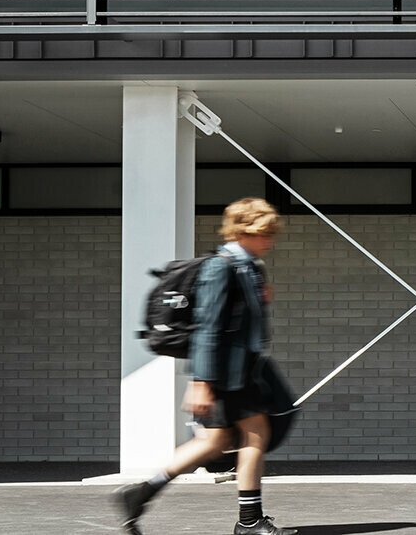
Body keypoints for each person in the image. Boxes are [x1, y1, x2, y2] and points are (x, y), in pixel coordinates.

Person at [115, 197, 296, 535]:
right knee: (257, 434)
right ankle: (249, 521)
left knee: (212, 444)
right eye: (265, 234)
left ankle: (139, 493)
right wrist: (201, 382)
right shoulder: (220, 267)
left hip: (240, 370)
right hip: (229, 375)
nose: (270, 241)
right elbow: (208, 328)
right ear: (245, 232)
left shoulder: (250, 268)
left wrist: (259, 300)